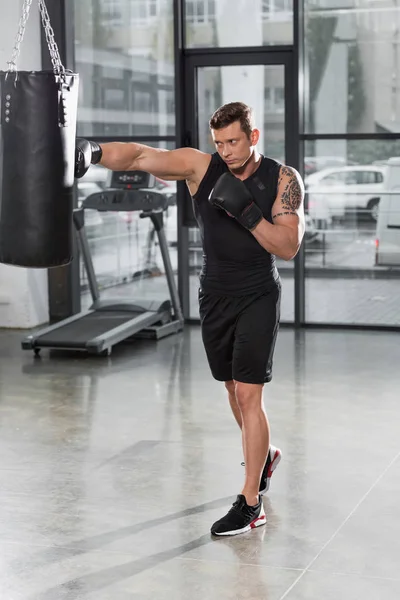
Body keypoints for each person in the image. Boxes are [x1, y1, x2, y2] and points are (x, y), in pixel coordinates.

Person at [75, 101, 305, 537]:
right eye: (219, 143)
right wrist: (95, 151)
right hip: (214, 295)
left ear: (253, 136)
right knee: (234, 392)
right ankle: (266, 454)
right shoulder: (202, 168)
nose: (226, 151)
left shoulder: (282, 178)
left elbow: (288, 246)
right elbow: (142, 155)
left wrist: (249, 214)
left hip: (258, 293)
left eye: (234, 142)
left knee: (250, 396)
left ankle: (250, 502)